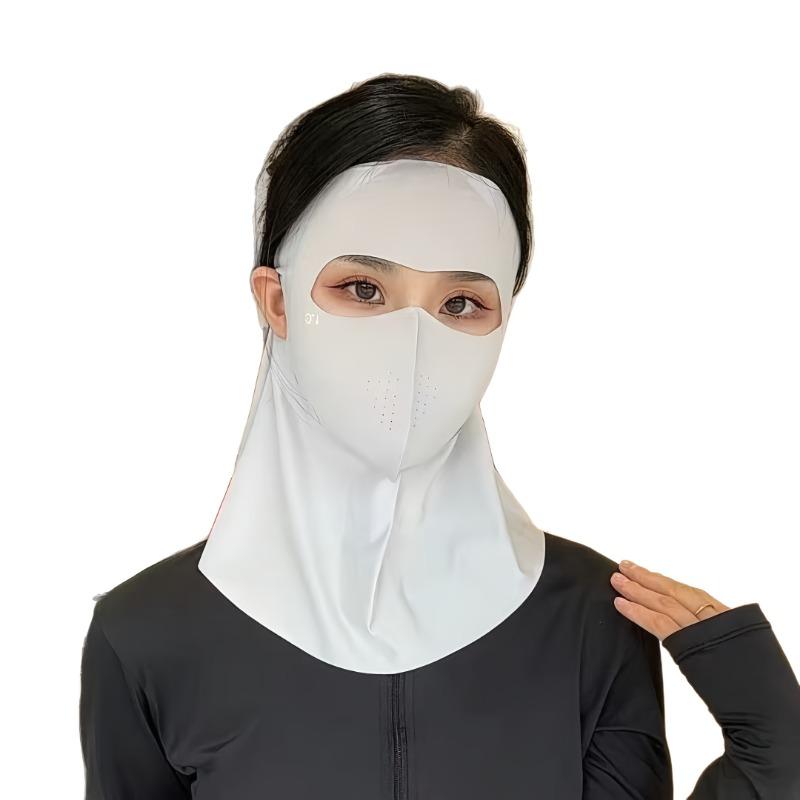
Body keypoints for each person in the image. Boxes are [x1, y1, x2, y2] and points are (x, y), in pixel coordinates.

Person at [79, 73, 800, 799]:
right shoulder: (146, 635)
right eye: (363, 289)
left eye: (459, 302)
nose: (413, 343)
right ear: (278, 300)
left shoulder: (591, 614)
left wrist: (778, 742)